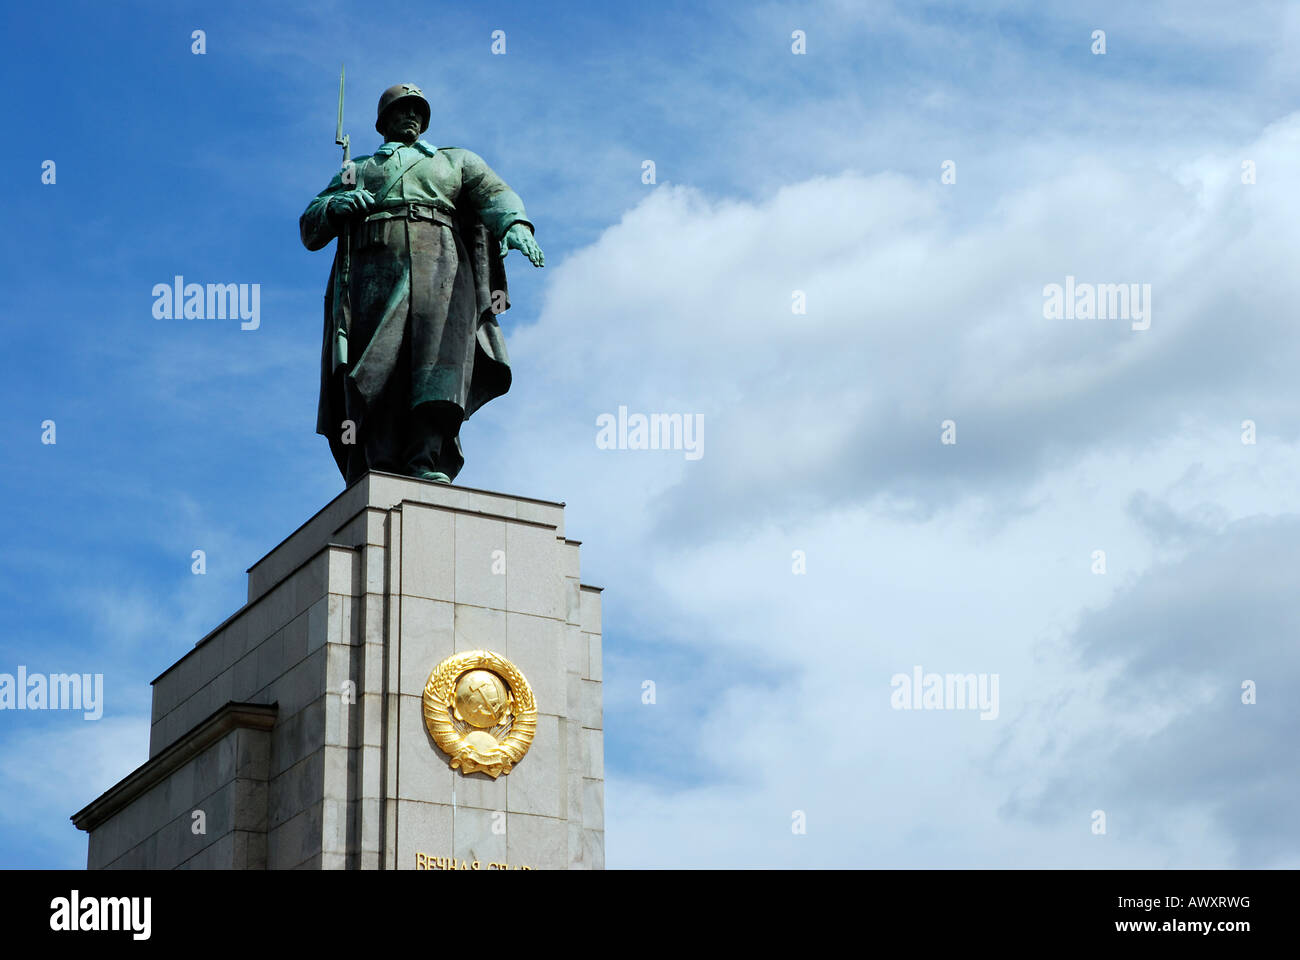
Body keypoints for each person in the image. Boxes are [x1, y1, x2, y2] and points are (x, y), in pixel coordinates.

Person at [300, 83, 545, 485]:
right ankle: (378, 461)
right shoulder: (358, 168)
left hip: (443, 270)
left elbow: (496, 194)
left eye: (417, 110)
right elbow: (310, 227)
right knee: (378, 368)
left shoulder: (454, 161)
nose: (411, 116)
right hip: (373, 271)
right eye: (401, 110)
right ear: (383, 121)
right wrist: (335, 205)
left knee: (438, 364)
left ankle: (425, 457)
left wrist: (515, 225)